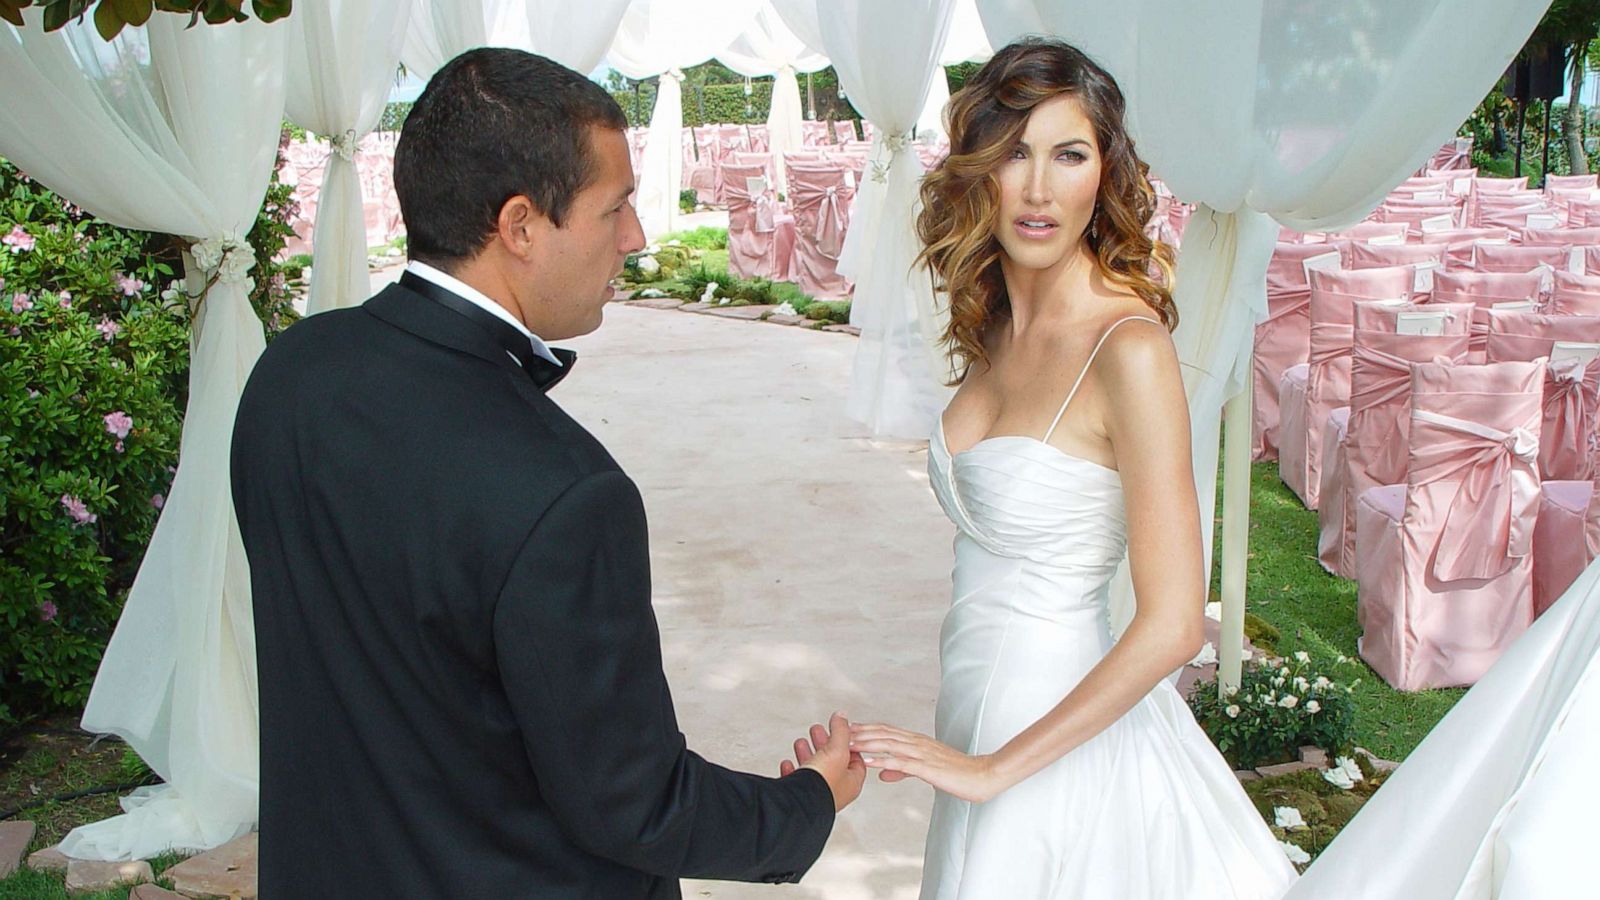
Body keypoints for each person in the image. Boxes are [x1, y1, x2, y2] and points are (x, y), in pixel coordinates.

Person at [231, 48, 863, 899]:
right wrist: (807, 805)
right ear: (521, 225)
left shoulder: (290, 375)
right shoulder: (567, 493)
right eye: (617, 207)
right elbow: (635, 806)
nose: (637, 237)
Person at [846, 38, 1299, 898]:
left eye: (1069, 154)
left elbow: (1172, 623)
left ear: (1106, 173)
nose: (1039, 188)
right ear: (980, 166)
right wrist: (974, 762)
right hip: (977, 707)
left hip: (1053, 736)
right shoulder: (993, 325)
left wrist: (994, 771)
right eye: (1015, 151)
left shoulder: (1127, 348)